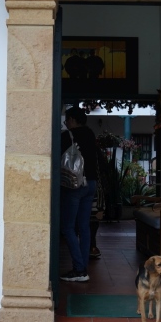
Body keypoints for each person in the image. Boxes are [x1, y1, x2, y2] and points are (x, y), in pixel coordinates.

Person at [59, 106, 99, 282]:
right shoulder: (91, 135)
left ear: (73, 120)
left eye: (67, 119)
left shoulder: (66, 136)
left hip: (75, 185)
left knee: (67, 227)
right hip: (91, 183)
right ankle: (83, 268)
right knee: (83, 227)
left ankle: (79, 268)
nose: (66, 123)